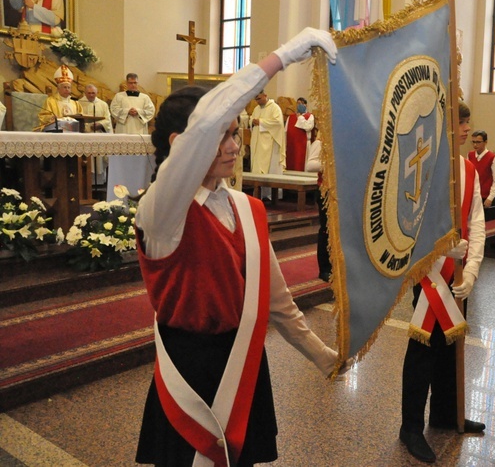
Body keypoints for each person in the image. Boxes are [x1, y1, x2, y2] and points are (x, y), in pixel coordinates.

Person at [133, 27, 349, 466]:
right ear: (181, 146)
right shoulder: (162, 212)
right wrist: (283, 56)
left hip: (245, 362)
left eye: (237, 133)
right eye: (224, 135)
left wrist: (323, 356)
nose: (235, 146)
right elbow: (206, 121)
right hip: (190, 371)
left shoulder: (248, 208)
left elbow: (278, 301)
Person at [400, 101, 486, 464]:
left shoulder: (469, 169)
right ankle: (410, 428)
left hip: (459, 274)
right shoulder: (427, 166)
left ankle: (446, 414)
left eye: (468, 121)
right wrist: (444, 253)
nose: (467, 128)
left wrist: (473, 267)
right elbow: (411, 219)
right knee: (424, 348)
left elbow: (477, 219)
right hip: (430, 273)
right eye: (461, 122)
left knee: (451, 346)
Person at [107, 73, 156, 200]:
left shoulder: (145, 98)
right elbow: (114, 109)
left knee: (139, 160)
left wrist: (138, 112)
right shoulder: (119, 96)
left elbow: (151, 111)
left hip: (139, 131)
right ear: (126, 84)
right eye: (130, 83)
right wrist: (127, 111)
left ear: (138, 83)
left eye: (135, 83)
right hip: (123, 130)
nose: (133, 85)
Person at [304, 124, 331, 282]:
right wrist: (332, 164)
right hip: (325, 191)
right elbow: (310, 165)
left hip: (341, 191)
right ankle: (325, 269)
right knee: (326, 230)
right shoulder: (320, 142)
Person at [249, 90, 285, 200]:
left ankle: (271, 195)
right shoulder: (256, 109)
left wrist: (261, 122)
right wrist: (253, 122)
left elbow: (278, 123)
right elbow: (252, 120)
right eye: (256, 99)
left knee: (270, 167)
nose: (257, 101)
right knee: (257, 166)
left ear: (265, 95)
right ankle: (258, 194)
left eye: (259, 98)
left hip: (270, 143)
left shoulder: (275, 107)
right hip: (258, 143)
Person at [79, 84, 112, 186]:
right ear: (85, 93)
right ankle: (86, 183)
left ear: (96, 93)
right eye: (89, 93)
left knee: (99, 161)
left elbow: (108, 120)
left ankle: (99, 183)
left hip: (99, 136)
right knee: (88, 162)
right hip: (85, 136)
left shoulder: (103, 104)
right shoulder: (78, 103)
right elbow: (77, 119)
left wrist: (100, 124)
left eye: (93, 93)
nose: (91, 95)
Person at [38, 64, 81, 128]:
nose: (67, 89)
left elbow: (81, 117)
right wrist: (51, 118)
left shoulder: (75, 103)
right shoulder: (50, 101)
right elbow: (43, 116)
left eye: (69, 88)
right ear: (58, 89)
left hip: (73, 129)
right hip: (56, 129)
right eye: (65, 87)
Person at [467, 130, 495, 208]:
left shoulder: (492, 157)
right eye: (473, 142)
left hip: (484, 195)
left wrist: (490, 198)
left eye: (478, 142)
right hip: (472, 194)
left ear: (485, 142)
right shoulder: (470, 155)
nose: (475, 145)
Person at [285, 97, 314, 171]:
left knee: (302, 166)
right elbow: (285, 132)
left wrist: (300, 117)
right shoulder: (290, 117)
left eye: (300, 104)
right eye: (297, 104)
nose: (298, 105)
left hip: (304, 144)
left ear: (305, 105)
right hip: (292, 145)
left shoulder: (310, 116)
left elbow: (308, 127)